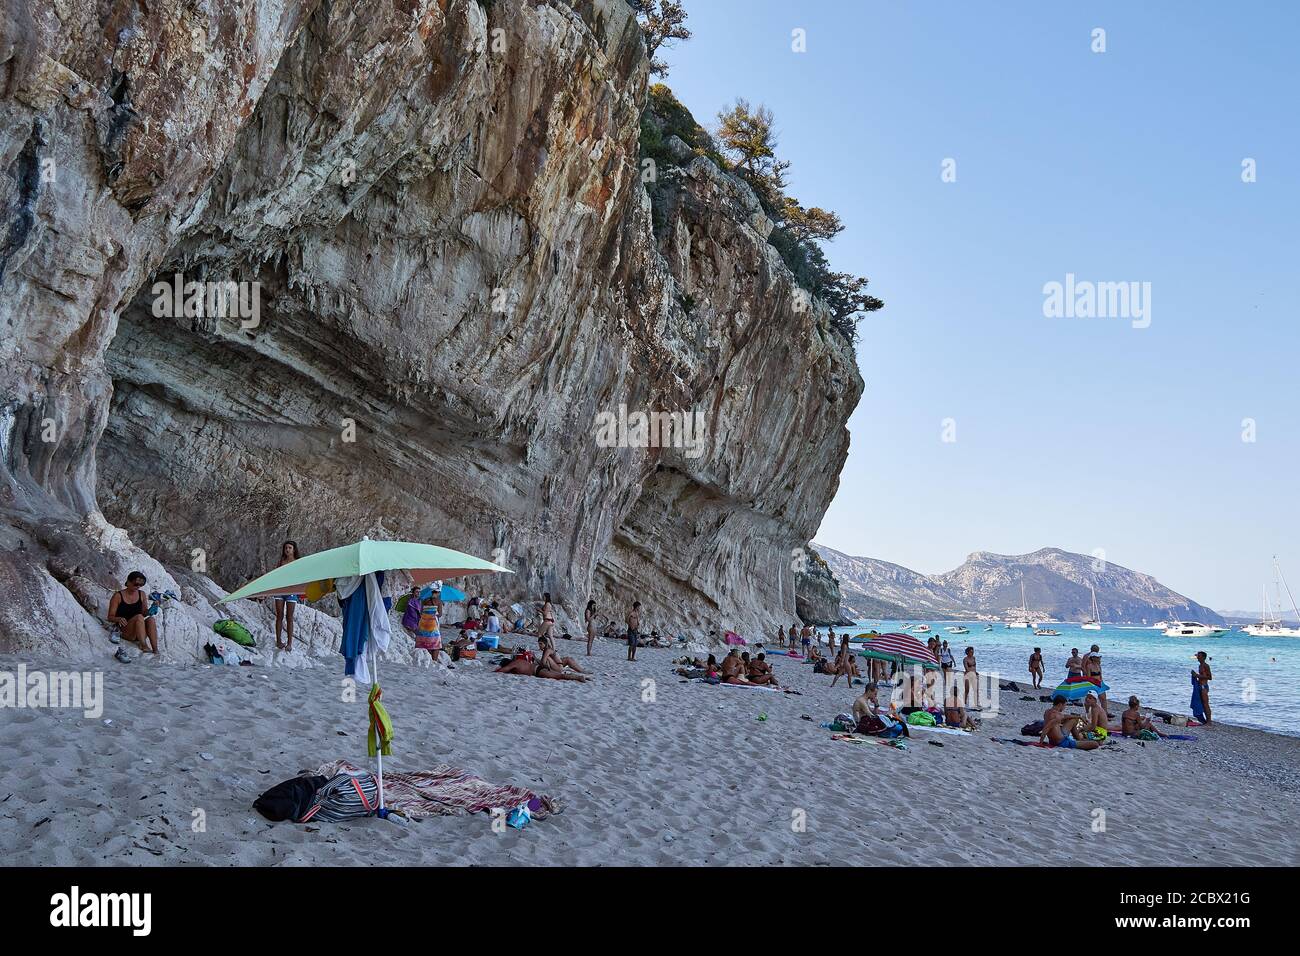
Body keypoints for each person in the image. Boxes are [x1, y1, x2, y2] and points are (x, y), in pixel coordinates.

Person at [107, 571, 157, 658]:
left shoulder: (142, 594)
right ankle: (143, 646)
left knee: (151, 620)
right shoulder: (118, 596)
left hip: (139, 631)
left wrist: (151, 609)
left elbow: (144, 613)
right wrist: (118, 619)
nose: (138, 587)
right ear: (129, 582)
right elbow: (110, 617)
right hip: (126, 630)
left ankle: (155, 649)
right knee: (139, 617)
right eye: (136, 584)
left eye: (140, 585)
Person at [272, 540, 301, 651]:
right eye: (286, 548)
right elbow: (276, 575)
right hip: (280, 590)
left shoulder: (298, 562)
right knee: (279, 615)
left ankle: (289, 643)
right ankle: (278, 641)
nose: (287, 550)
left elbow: (300, 576)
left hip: (292, 592)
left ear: (294, 549)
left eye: (289, 548)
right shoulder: (281, 561)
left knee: (290, 617)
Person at [1083, 644, 1107, 709]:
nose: (1098, 658)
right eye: (1097, 657)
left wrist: (1102, 683)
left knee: (1103, 698)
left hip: (1099, 683)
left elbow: (1100, 675)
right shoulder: (1088, 663)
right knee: (1091, 699)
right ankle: (1088, 712)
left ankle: (1105, 713)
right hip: (1092, 683)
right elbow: (1087, 675)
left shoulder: (1098, 665)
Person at [1194, 650, 1213, 724]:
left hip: (1204, 687)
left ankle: (1209, 721)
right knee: (1201, 704)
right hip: (1200, 685)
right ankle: (1205, 720)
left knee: (1205, 704)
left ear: (1203, 657)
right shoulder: (1200, 665)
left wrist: (1197, 675)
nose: (1197, 657)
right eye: (1197, 656)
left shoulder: (1206, 665)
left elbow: (1210, 677)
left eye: (1199, 656)